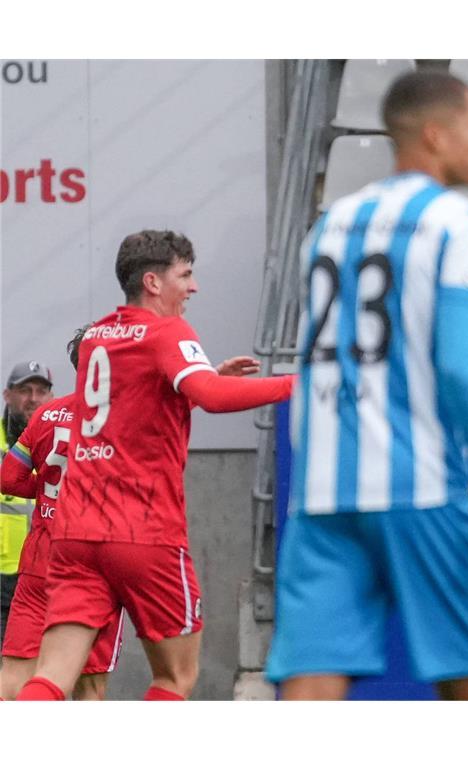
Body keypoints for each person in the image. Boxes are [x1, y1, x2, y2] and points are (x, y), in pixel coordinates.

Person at [265, 70, 468, 701]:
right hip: (420, 487)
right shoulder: (455, 222)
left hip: (325, 491)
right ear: (436, 137)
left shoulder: (330, 224)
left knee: (311, 681)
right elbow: (464, 371)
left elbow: (309, 364)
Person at [15, 229, 295, 701]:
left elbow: (134, 409)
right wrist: (295, 384)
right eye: (185, 274)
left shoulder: (97, 337)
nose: (194, 286)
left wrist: (199, 383)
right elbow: (211, 395)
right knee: (175, 677)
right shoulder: (166, 331)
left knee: (51, 675)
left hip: (76, 532)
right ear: (152, 281)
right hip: (144, 530)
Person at [1, 326, 126, 700]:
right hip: (98, 561)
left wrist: (48, 492)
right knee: (89, 687)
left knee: (13, 680)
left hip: (41, 559)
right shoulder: (125, 420)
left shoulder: (47, 415)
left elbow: (8, 478)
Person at [1, 361, 51, 643]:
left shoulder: (60, 442)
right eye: (25, 390)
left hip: (42, 575)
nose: (33, 398)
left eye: (41, 391)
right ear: (8, 395)